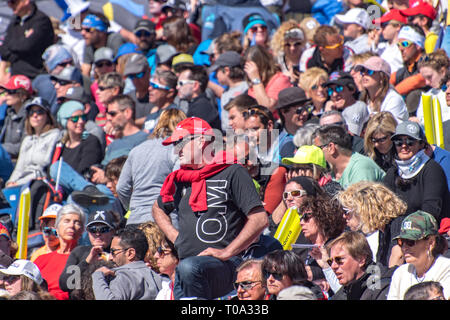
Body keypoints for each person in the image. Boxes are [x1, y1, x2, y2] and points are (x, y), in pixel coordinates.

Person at [152, 117, 268, 299]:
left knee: (190, 268)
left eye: (181, 142)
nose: (176, 150)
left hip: (225, 265)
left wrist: (227, 252)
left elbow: (259, 219)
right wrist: (176, 238)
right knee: (188, 268)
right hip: (186, 270)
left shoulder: (233, 171)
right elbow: (158, 209)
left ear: (201, 141)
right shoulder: (181, 178)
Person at [117, 109, 185, 225]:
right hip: (165, 222)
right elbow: (178, 187)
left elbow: (121, 187)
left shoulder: (136, 150)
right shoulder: (178, 150)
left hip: (135, 221)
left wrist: (133, 208)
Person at [383, 121, 450, 221]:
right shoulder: (391, 173)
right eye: (399, 142)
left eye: (410, 141)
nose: (404, 146)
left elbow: (430, 210)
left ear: (421, 144)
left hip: (426, 233)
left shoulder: (432, 169)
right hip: (397, 233)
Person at [337, 181, 408, 267]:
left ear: (365, 209)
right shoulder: (383, 232)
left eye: (346, 212)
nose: (344, 216)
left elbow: (398, 257)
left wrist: (385, 279)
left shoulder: (398, 224)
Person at [388, 211, 450, 299]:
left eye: (410, 242)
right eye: (401, 242)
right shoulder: (400, 273)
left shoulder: (446, 269)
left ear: (431, 243)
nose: (404, 248)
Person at [92, 226, 163, 300]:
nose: (110, 257)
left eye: (113, 252)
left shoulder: (122, 276)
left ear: (130, 253)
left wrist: (97, 276)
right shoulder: (158, 278)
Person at [5, 97, 61, 187]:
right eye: (31, 112)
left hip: (39, 183)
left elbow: (44, 165)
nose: (35, 115)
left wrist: (18, 183)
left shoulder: (54, 135)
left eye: (40, 112)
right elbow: (19, 169)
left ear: (48, 116)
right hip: (21, 183)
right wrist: (10, 182)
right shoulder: (27, 140)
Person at [34, 203, 86, 300]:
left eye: (77, 222)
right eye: (67, 221)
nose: (71, 225)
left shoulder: (87, 258)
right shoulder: (41, 260)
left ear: (82, 230)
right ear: (56, 228)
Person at [59, 209, 116, 295]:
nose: (97, 234)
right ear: (88, 232)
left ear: (112, 232)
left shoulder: (119, 253)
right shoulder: (79, 252)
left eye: (103, 229)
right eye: (93, 229)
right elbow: (65, 284)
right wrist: (87, 261)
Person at [327, 231, 396, 300]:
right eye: (330, 262)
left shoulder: (382, 287)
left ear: (361, 260)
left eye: (339, 260)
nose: (333, 266)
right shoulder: (348, 290)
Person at [313, 125, 385, 189]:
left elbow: (362, 201)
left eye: (319, 148)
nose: (315, 153)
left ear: (331, 148)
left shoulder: (361, 167)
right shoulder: (331, 171)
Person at [0, 0, 54, 81]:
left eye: (13, 2)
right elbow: (4, 50)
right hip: (16, 76)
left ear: (26, 1)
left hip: (36, 76)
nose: (10, 5)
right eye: (8, 3)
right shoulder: (15, 22)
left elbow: (27, 46)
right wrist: (21, 43)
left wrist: (12, 46)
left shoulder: (41, 20)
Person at [54, 100, 103, 177]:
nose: (81, 121)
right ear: (65, 121)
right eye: (75, 118)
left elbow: (83, 171)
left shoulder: (91, 141)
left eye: (83, 117)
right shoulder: (60, 145)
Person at [355, 56, 409, 124]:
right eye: (362, 71)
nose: (364, 74)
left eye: (370, 71)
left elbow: (389, 128)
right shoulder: (363, 99)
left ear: (382, 77)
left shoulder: (393, 99)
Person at [390, 24, 427, 115]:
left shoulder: (428, 62)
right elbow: (386, 82)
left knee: (414, 95)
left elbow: (418, 80)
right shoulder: (406, 68)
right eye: (398, 45)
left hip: (425, 117)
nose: (401, 48)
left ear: (418, 45)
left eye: (405, 44)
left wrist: (390, 96)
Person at [244, 45, 292, 113]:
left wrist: (256, 79)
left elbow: (267, 107)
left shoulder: (280, 79)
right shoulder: (253, 85)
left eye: (251, 66)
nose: (249, 70)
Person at [209, 51, 248, 132]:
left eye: (217, 71)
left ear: (226, 71)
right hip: (228, 134)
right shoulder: (226, 91)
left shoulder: (245, 88)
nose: (215, 75)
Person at [322, 71, 369, 137]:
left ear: (351, 89)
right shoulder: (334, 109)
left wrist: (330, 114)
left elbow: (350, 136)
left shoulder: (358, 106)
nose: (334, 94)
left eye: (339, 88)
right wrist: (329, 113)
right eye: (330, 90)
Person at [176, 65, 221, 130]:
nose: (177, 87)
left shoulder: (202, 107)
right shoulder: (196, 104)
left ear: (195, 86)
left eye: (181, 83)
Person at [0, 75, 34, 160]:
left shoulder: (31, 115)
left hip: (20, 162)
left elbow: (23, 147)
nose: (6, 94)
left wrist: (1, 148)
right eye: (6, 91)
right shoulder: (9, 112)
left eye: (11, 91)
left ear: (23, 95)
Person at [275, 86, 312, 157]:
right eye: (299, 110)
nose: (305, 113)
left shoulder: (315, 135)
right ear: (284, 112)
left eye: (307, 108)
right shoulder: (276, 141)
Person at [415, 49, 450, 124]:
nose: (427, 82)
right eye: (425, 78)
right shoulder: (427, 95)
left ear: (443, 71)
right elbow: (420, 117)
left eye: (429, 77)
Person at [143, 68, 179, 133]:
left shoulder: (175, 115)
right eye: (150, 84)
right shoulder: (152, 115)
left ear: (170, 93)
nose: (149, 88)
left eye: (155, 86)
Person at [122, 53, 153, 128]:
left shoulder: (158, 95)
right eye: (131, 76)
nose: (136, 80)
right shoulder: (127, 98)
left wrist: (132, 123)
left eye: (139, 74)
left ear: (149, 71)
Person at [373, 9, 406, 74]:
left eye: (384, 25)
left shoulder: (403, 47)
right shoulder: (380, 46)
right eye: (380, 26)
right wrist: (374, 43)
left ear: (397, 26)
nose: (381, 29)